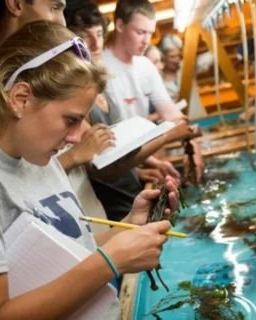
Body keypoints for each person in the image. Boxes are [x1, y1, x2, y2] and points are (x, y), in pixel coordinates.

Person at [0, 21, 179, 319]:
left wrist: (130, 224)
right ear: (20, 98)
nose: (75, 137)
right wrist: (110, 262)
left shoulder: (36, 155)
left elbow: (68, 254)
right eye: (70, 120)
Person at [64, 0, 195, 221]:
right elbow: (101, 166)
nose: (96, 44)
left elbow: (116, 145)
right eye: (85, 37)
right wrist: (168, 135)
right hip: (111, 206)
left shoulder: (102, 83)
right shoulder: (74, 94)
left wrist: (149, 164)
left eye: (99, 33)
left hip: (130, 192)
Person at [103, 0, 203, 180]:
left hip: (142, 157)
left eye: (149, 33)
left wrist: (191, 144)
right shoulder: (100, 68)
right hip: (112, 169)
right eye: (140, 32)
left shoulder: (145, 66)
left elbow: (171, 113)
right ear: (119, 25)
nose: (146, 41)